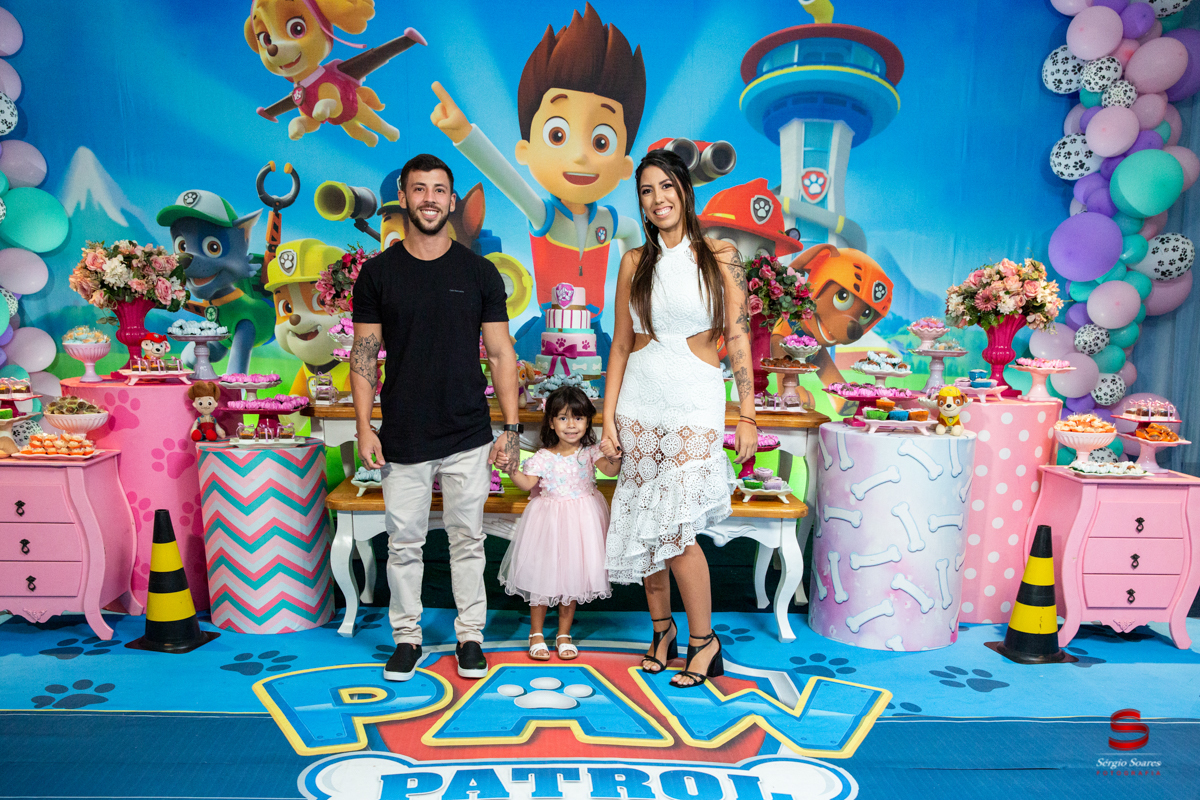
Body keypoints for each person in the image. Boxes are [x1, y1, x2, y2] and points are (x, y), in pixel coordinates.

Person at [350, 153, 522, 682]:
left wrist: (511, 429)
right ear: (403, 196)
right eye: (420, 188)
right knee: (404, 543)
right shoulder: (378, 273)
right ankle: (407, 638)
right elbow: (364, 354)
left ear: (452, 200)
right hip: (403, 433)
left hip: (468, 432)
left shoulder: (479, 272)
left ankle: (471, 637)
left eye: (439, 189)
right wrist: (363, 426)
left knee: (468, 540)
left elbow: (501, 354)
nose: (429, 199)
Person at [600, 149, 757, 688]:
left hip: (694, 404)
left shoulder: (721, 254)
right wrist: (608, 420)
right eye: (646, 191)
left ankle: (704, 642)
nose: (657, 198)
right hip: (638, 405)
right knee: (646, 527)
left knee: (677, 528)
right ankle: (662, 631)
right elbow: (621, 345)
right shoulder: (632, 262)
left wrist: (747, 414)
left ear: (685, 191)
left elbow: (738, 336)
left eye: (666, 186)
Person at [498, 385, 620, 660]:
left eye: (578, 418)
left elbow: (611, 470)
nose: (571, 425)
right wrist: (511, 469)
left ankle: (564, 634)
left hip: (582, 523)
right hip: (549, 524)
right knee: (542, 577)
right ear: (551, 423)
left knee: (573, 577)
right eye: (563, 418)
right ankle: (536, 633)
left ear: (587, 421)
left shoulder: (590, 453)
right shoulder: (543, 457)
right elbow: (525, 483)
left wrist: (614, 455)